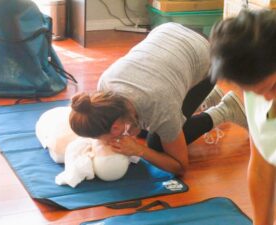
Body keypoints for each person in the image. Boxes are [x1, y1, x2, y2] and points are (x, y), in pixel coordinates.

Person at [69, 22, 247, 176]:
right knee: (147, 130)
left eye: (104, 138)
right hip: (169, 33)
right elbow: (131, 115)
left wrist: (140, 150)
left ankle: (227, 110)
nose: (104, 143)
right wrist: (133, 128)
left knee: (155, 144)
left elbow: (180, 166)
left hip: (207, 59)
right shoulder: (104, 86)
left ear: (115, 127)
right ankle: (207, 98)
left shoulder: (160, 105)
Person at [209, 9, 276, 225]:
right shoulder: (257, 78)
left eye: (273, 87)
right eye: (256, 92)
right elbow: (261, 166)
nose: (266, 98)